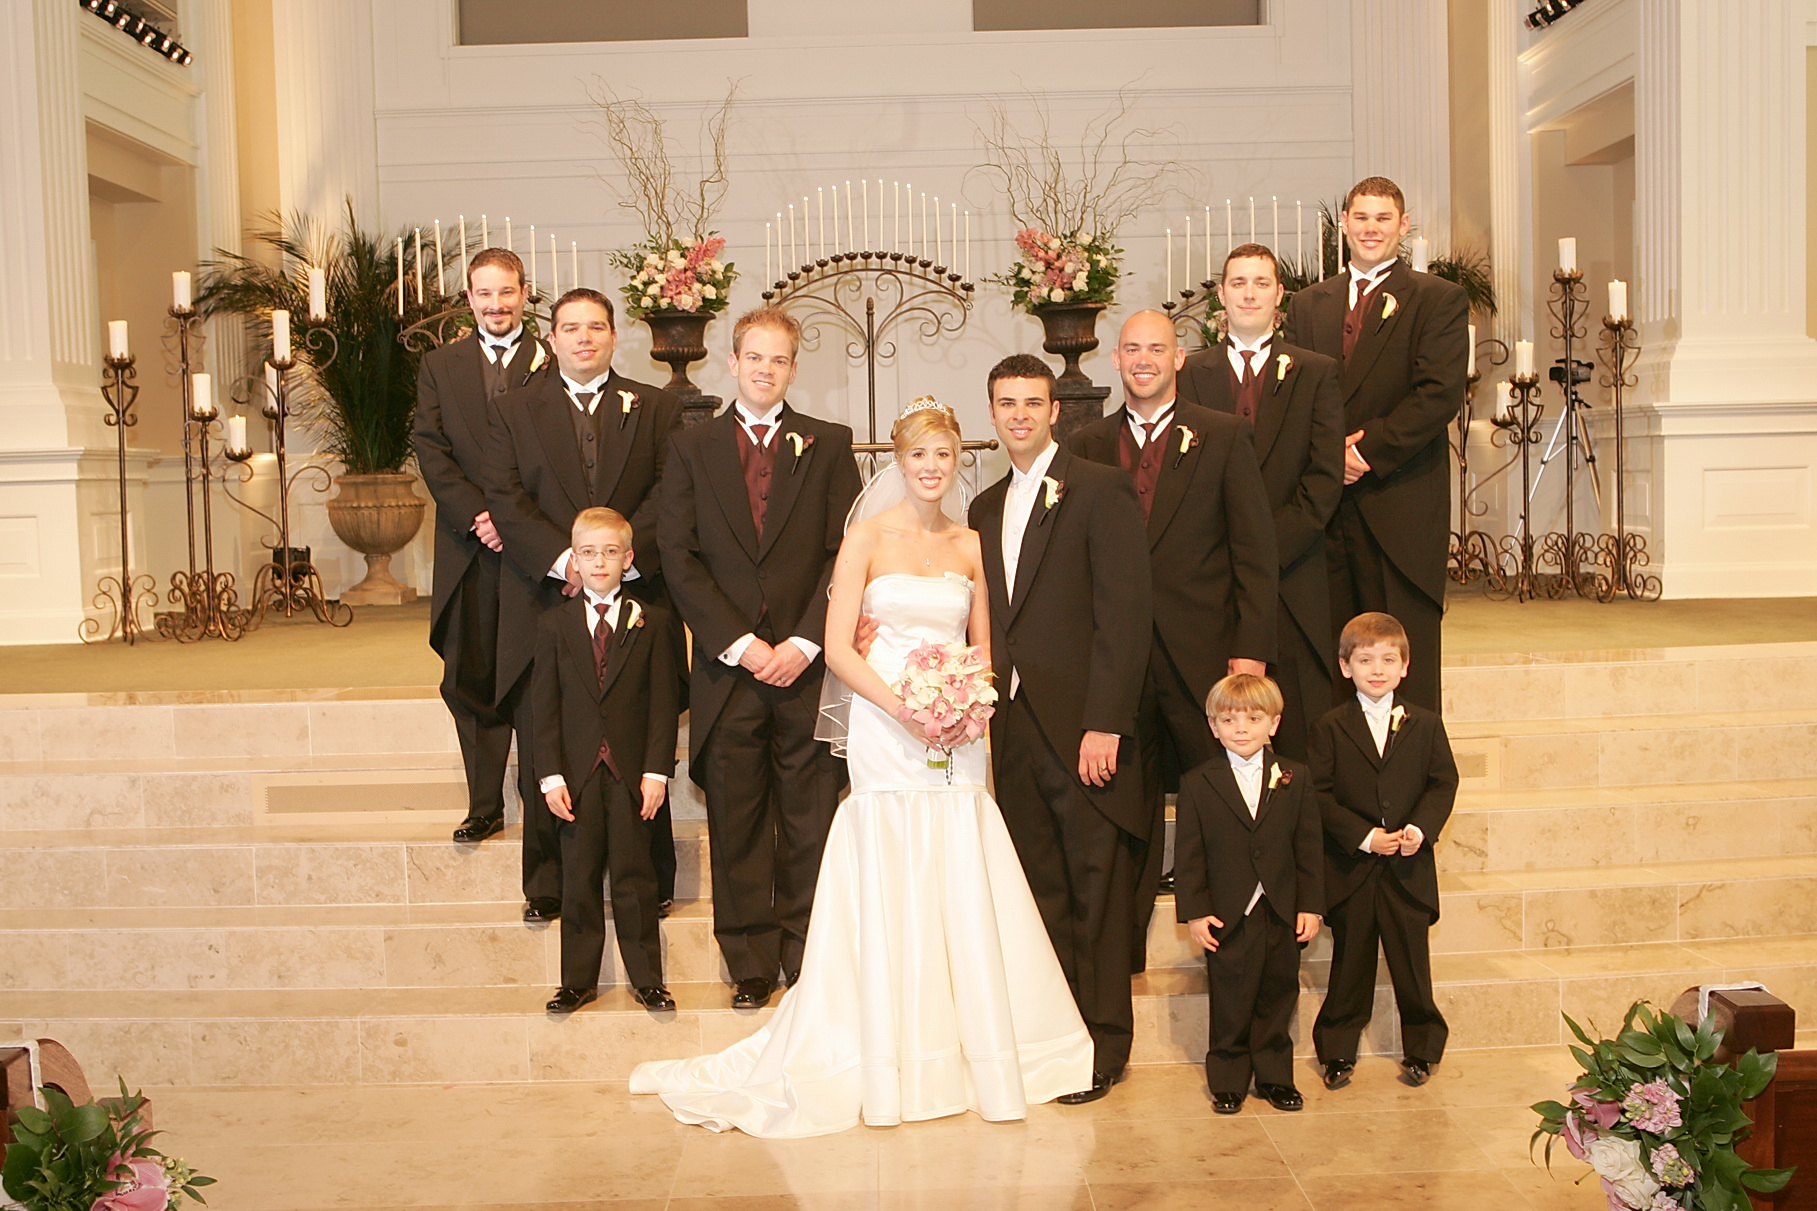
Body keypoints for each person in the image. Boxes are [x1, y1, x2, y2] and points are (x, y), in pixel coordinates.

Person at [630, 400, 1093, 1136]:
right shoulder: (865, 539)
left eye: (943, 455)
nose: (931, 468)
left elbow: (983, 646)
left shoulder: (972, 543)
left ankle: (970, 1044)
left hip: (957, 730)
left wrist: (969, 703)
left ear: (957, 461)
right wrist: (905, 709)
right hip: (885, 722)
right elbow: (840, 646)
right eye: (918, 456)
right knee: (893, 860)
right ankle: (884, 1050)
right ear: (898, 463)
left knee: (958, 858)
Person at [657, 307, 862, 1009]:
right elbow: (678, 554)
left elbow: (844, 551)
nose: (765, 369)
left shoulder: (828, 443)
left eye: (779, 359)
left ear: (794, 369)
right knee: (737, 818)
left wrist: (806, 640)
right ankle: (747, 959)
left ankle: (806, 954)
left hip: (807, 667)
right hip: (729, 669)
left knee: (808, 817)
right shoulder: (691, 447)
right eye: (754, 357)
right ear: (733, 362)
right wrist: (741, 644)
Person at [1069, 309, 1277, 972]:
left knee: (1216, 804)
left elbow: (1254, 552)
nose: (1143, 360)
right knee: (1123, 811)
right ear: (1115, 358)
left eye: (1155, 348)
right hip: (1116, 666)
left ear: (1179, 358)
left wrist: (1250, 652)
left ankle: (1229, 949)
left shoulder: (1223, 435)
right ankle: (1122, 954)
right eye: (1131, 348)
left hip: (1203, 657)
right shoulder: (1086, 443)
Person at [970, 354, 1152, 1105]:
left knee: (1095, 889)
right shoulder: (983, 506)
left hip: (1082, 730)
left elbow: (1125, 614)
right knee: (1040, 888)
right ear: (991, 413)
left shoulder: (1101, 488)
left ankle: (1104, 1045)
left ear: (1054, 411)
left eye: (1031, 402)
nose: (1018, 414)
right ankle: (1056, 1039)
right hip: (1013, 728)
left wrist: (1105, 722)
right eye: (1005, 402)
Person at [481, 288, 682, 923]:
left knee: (637, 732)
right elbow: (505, 496)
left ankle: (650, 877)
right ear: (552, 339)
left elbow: (670, 490)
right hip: (544, 594)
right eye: (571, 328)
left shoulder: (654, 406)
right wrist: (568, 561)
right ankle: (548, 883)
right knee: (546, 734)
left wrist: (616, 559)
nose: (584, 338)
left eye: (596, 327)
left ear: (615, 336)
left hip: (634, 592)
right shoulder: (514, 409)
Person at [1282, 177, 1470, 712]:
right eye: (1361, 217)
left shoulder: (1438, 298)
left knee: (1399, 651)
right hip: (1326, 506)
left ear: (1403, 226)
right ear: (1343, 223)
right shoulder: (1309, 304)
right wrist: (1326, 457)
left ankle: (1408, 759)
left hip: (1399, 498)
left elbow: (1438, 394)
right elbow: (1293, 394)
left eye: (1383, 218)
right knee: (1332, 652)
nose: (1371, 228)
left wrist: (1363, 454)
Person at [1178, 245, 1345, 759]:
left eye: (1261, 283)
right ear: (1221, 295)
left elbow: (1324, 477)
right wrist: (1221, 552)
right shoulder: (1188, 374)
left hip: (1292, 572)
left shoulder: (1316, 372)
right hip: (1211, 576)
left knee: (1295, 725)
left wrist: (1264, 553)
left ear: (1280, 295)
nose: (1249, 293)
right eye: (1238, 283)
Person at [412, 248, 551, 847]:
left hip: (534, 548)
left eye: (506, 292)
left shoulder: (552, 361)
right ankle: (484, 804)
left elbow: (557, 453)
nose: (496, 305)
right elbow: (431, 447)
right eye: (484, 294)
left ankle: (542, 803)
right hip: (468, 546)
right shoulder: (439, 366)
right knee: (471, 676)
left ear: (524, 294)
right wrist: (477, 516)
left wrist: (514, 523)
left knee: (536, 677)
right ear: (468, 299)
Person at [530, 508, 679, 1015]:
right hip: (576, 774)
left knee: (636, 877)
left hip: (631, 772)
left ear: (628, 559)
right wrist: (550, 776)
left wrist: (656, 771)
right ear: (574, 559)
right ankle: (577, 981)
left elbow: (663, 704)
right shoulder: (553, 625)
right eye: (589, 553)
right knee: (579, 877)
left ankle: (648, 979)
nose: (599, 562)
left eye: (611, 552)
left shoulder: (653, 622)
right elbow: (543, 707)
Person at [1310, 612, 1458, 1091]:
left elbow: (1442, 782)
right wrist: (1363, 835)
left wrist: (1420, 829)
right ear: (1345, 666)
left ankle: (1422, 1050)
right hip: (1353, 868)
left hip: (1407, 869)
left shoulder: (1425, 723)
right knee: (1350, 965)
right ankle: (1337, 1051)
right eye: (1365, 660)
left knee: (1412, 966)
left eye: (1388, 660)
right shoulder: (1330, 726)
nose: (1377, 669)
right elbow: (1319, 794)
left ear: (1405, 666)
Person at [1172, 672, 1323, 1115]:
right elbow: (1190, 855)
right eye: (1229, 720)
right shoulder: (1198, 782)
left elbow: (1308, 847)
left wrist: (1311, 905)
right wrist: (1196, 912)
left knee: (1279, 993)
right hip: (1227, 912)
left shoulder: (1295, 777)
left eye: (1254, 719)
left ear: (1273, 724)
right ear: (1213, 726)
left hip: (1281, 908)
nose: (1241, 729)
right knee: (1230, 999)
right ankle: (1228, 1079)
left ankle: (1276, 1077)